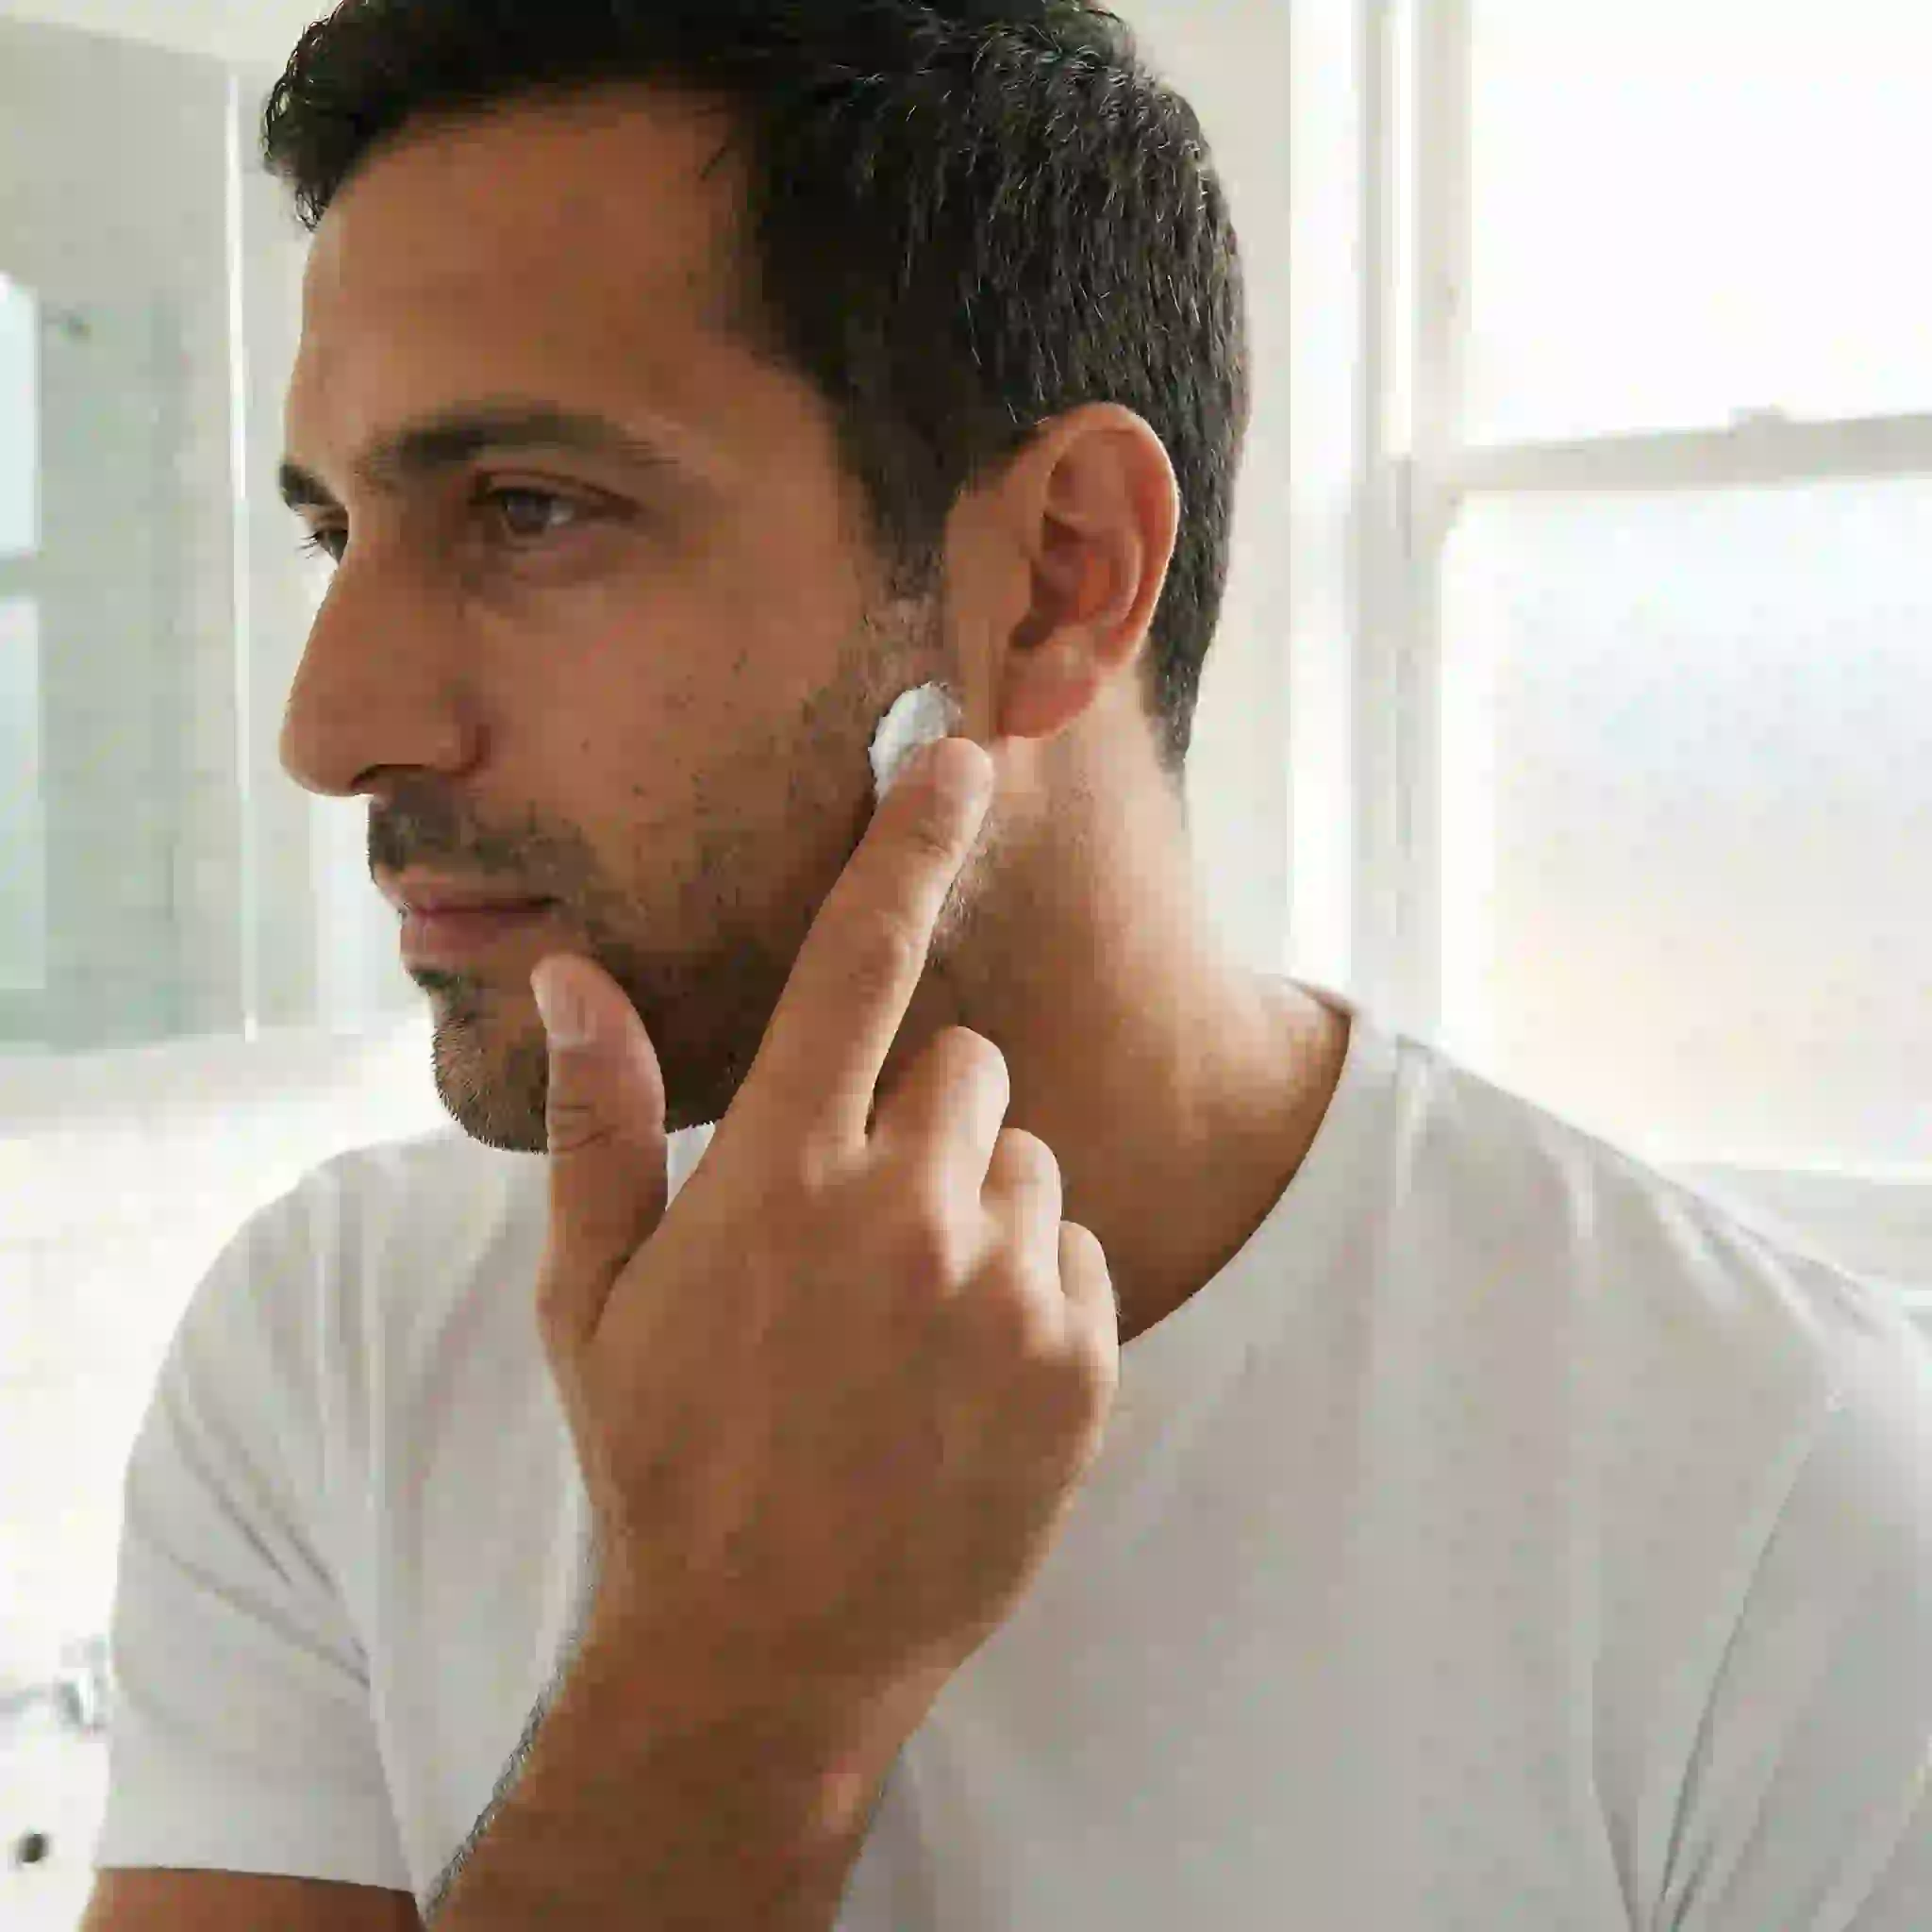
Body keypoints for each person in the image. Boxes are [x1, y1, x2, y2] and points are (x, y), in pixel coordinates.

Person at [84, 3, 1932, 1927]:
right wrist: (729, 1689)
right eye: (334, 528)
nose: (330, 722)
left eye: (529, 511)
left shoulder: (1783, 1513)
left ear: (1056, 577)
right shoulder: (333, 1351)